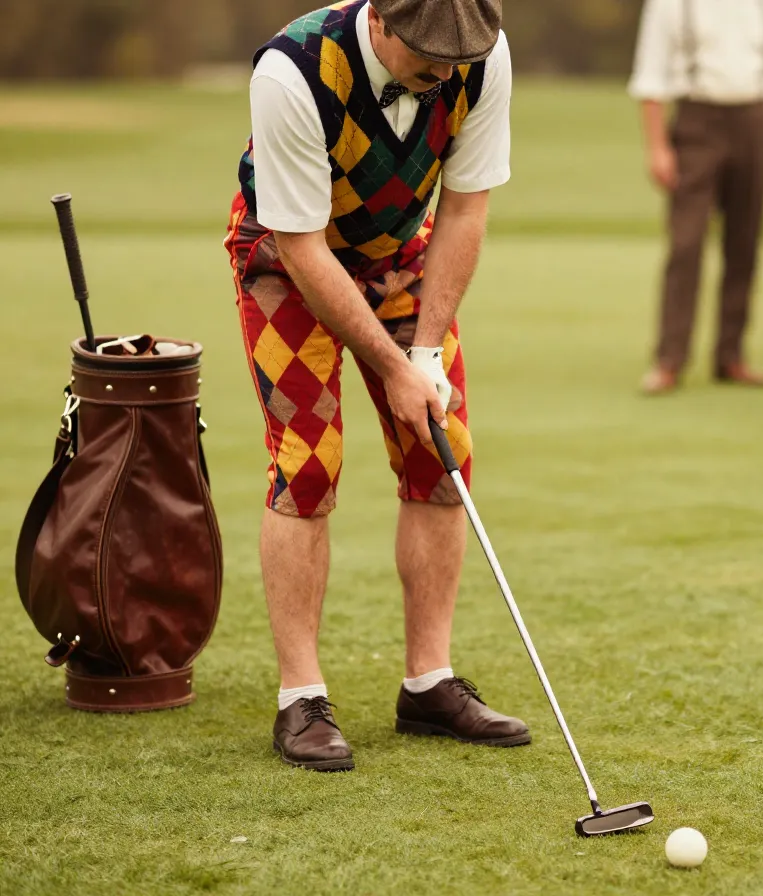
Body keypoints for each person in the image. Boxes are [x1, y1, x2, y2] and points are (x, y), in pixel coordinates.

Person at [223, 0, 528, 772]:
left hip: (400, 254)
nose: (446, 74)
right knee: (307, 463)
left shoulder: (480, 58)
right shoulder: (291, 71)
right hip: (286, 261)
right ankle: (301, 698)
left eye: (457, 61)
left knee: (442, 450)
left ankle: (428, 683)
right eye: (429, 58)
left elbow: (464, 209)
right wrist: (392, 370)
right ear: (383, 21)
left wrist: (423, 355)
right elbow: (301, 245)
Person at [628, 0, 763, 395]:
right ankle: (670, 359)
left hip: (754, 120)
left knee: (744, 243)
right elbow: (651, 75)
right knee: (686, 242)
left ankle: (731, 355)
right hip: (697, 119)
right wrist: (657, 147)